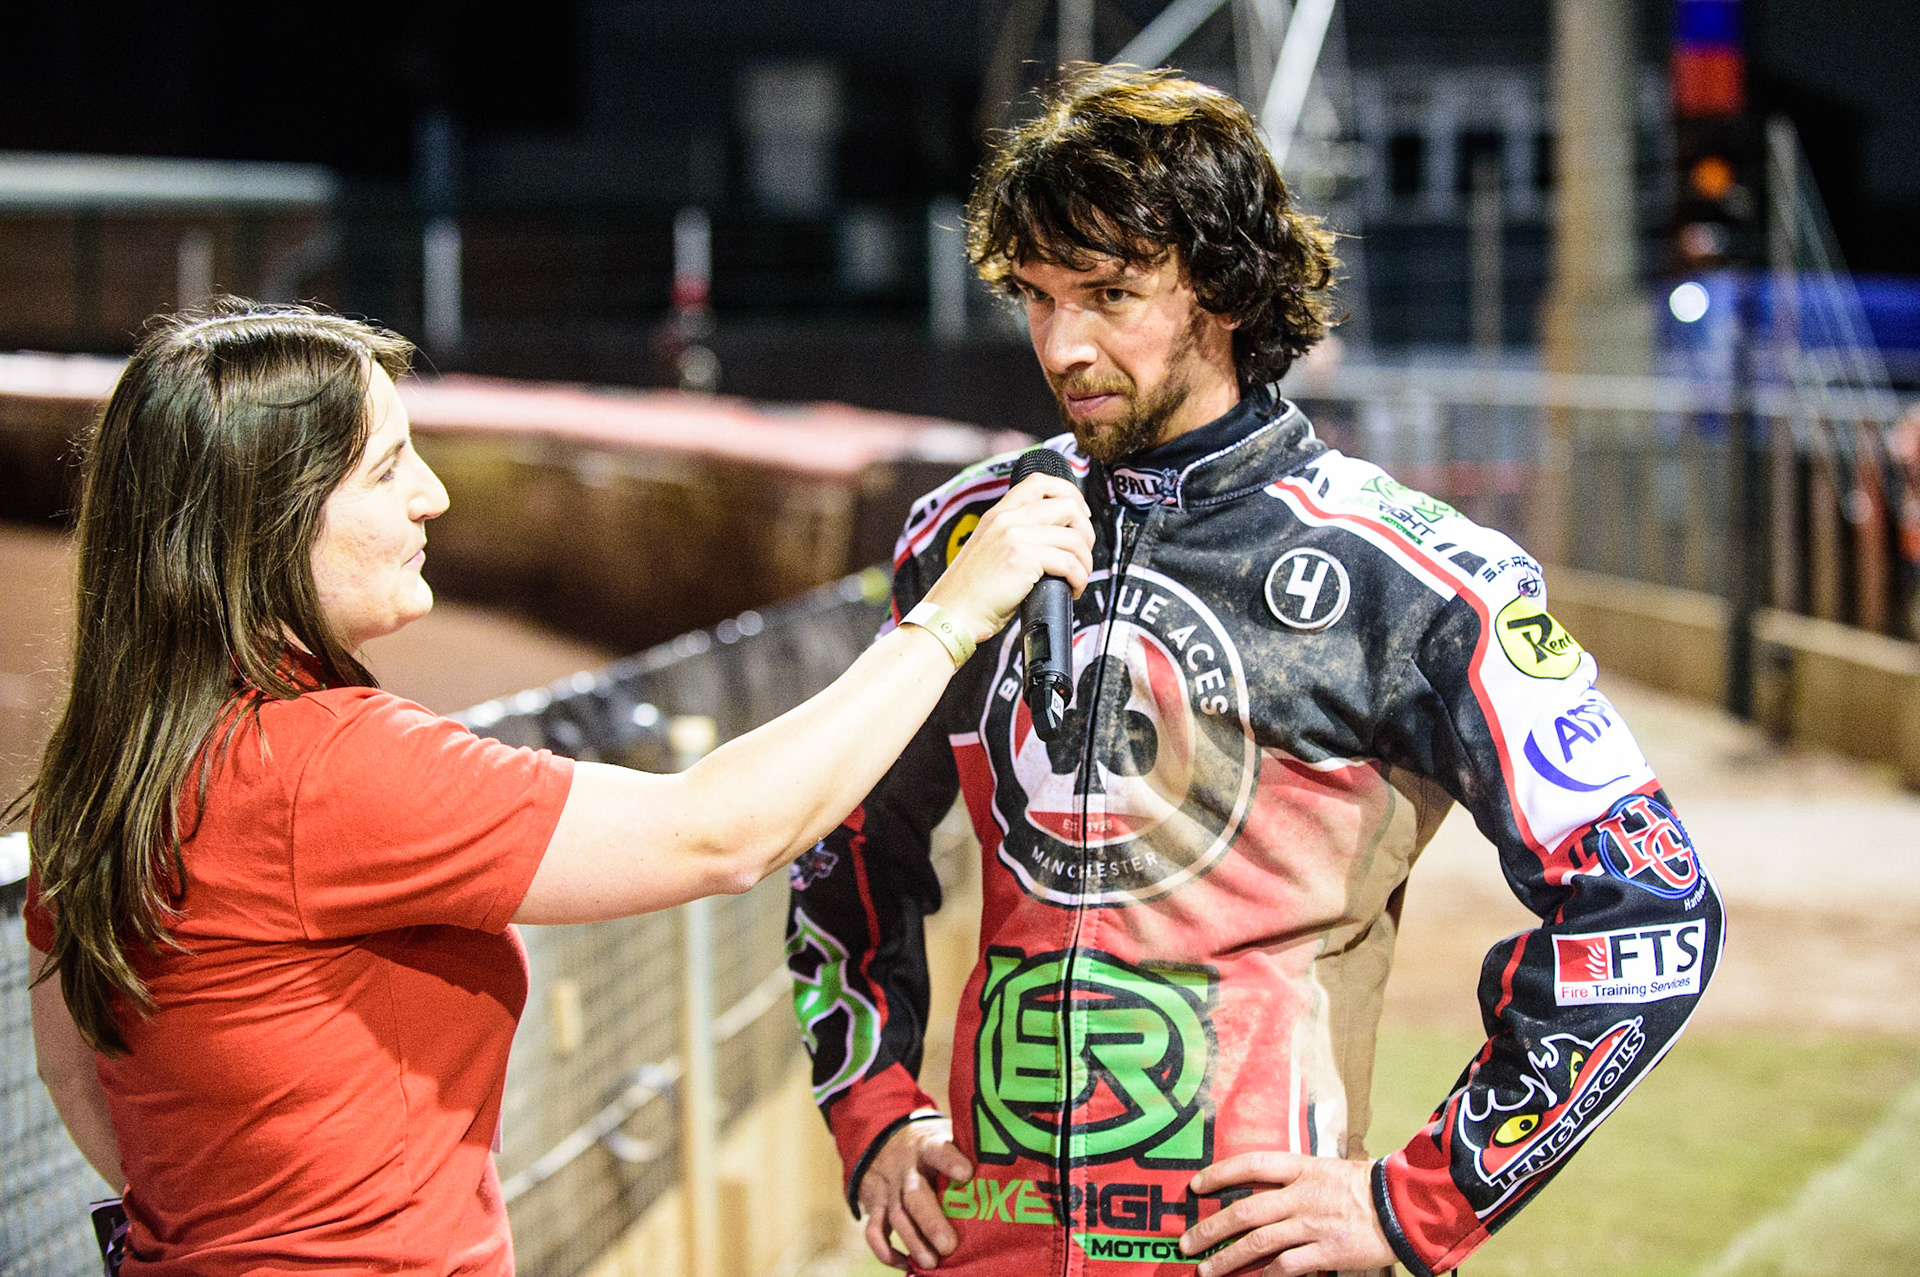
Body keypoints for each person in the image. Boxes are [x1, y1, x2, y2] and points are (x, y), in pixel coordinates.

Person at [785, 67, 1722, 1277]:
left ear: (1223, 288)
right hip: (985, 1252)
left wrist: (1420, 1200)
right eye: (1035, 295)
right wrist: (871, 1110)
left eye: (1111, 294)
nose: (1062, 345)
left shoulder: (1421, 577)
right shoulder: (966, 539)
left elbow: (1651, 909)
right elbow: (841, 842)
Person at [18, 299, 1094, 1276]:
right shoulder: (323, 769)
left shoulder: (103, 777)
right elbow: (719, 833)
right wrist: (952, 612)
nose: (433, 495)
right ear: (274, 515)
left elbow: (85, 1088)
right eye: (390, 468)